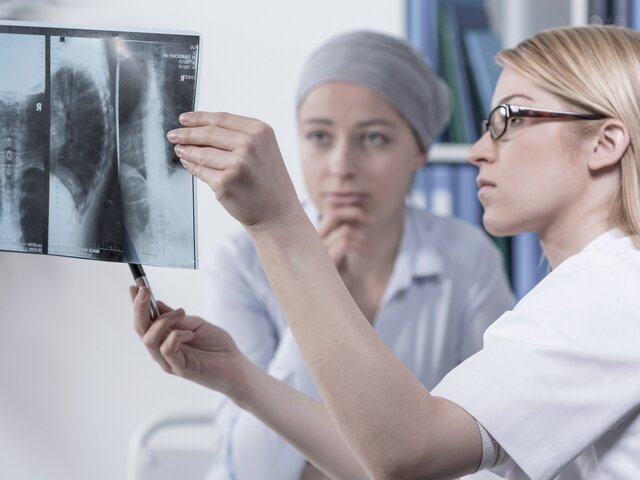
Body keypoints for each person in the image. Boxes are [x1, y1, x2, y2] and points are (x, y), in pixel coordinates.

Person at [133, 25, 640, 479]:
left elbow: (410, 453)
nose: (477, 151)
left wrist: (277, 223)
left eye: (509, 118)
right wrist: (243, 380)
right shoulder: (596, 290)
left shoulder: (610, 291)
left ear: (604, 142)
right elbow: (427, 471)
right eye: (319, 136)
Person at [200, 31, 513, 479]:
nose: (341, 166)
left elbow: (493, 451)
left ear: (420, 150)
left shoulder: (467, 260)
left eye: (373, 138)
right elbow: (253, 470)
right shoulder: (240, 262)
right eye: (319, 136)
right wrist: (312, 294)